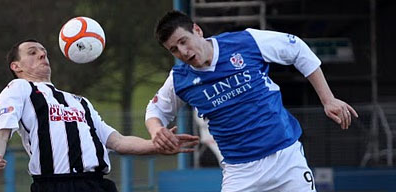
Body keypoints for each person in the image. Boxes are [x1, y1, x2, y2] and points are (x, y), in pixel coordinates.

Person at [145, 10, 358, 192]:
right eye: (174, 49)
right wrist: (156, 130)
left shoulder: (245, 42)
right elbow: (155, 111)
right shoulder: (180, 79)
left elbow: (296, 49)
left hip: (285, 158)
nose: (182, 52)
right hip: (240, 172)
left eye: (184, 41)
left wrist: (328, 99)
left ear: (197, 31)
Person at [0, 39, 199, 192]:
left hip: (97, 184)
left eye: (44, 52)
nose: (42, 54)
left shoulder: (79, 101)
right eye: (32, 52)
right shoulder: (19, 88)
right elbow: (2, 133)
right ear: (16, 66)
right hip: (56, 185)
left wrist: (156, 145)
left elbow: (118, 141)